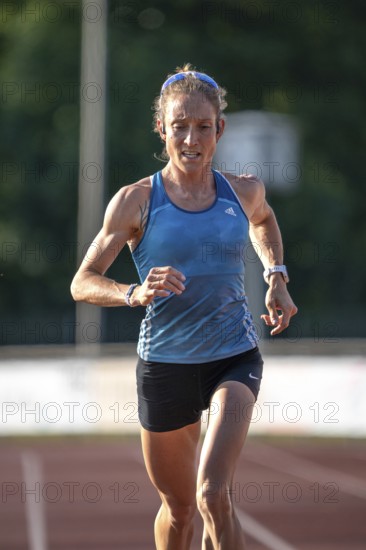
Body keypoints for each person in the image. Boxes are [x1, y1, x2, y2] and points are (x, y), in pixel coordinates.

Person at [71, 64, 297, 550]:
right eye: (179, 126)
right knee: (178, 512)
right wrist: (133, 292)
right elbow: (81, 282)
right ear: (162, 128)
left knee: (214, 492)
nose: (191, 139)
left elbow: (265, 221)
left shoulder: (244, 190)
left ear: (220, 128)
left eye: (202, 126)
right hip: (165, 366)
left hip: (232, 357)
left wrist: (275, 275)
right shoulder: (135, 201)